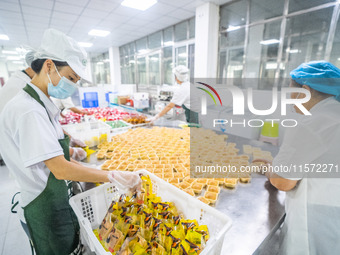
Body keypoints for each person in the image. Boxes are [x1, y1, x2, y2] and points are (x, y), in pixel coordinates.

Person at [0, 28, 141, 255]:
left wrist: (77, 158)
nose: (73, 85)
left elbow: (55, 156)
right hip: (42, 204)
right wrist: (112, 176)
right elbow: (60, 169)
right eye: (71, 77)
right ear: (49, 66)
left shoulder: (40, 103)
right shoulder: (28, 110)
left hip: (55, 198)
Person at [254, 61, 340, 255]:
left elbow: (283, 182)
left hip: (314, 225)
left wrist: (270, 170)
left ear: (305, 91)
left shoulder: (311, 123)